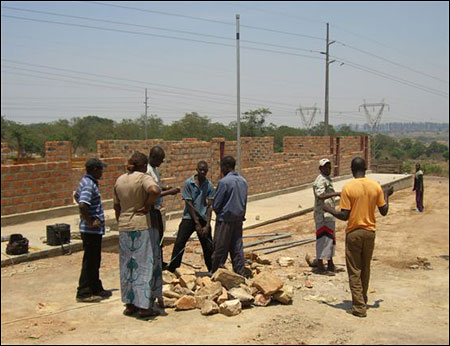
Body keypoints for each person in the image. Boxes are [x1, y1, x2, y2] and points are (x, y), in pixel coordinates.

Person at [323, 157, 394, 318]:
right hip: (370, 232)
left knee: (355, 269)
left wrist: (329, 209)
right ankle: (363, 298)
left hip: (354, 232)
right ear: (366, 167)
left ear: (351, 169)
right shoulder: (375, 186)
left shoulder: (348, 188)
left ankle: (359, 307)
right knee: (365, 268)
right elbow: (384, 211)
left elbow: (344, 215)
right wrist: (386, 194)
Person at [113, 152, 162, 318]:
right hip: (141, 226)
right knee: (143, 266)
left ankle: (129, 304)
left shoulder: (119, 180)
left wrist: (122, 221)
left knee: (128, 267)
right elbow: (154, 190)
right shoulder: (143, 177)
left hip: (124, 226)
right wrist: (147, 205)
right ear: (143, 165)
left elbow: (116, 207)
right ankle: (144, 307)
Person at [167, 161, 215, 273]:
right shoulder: (189, 183)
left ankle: (212, 269)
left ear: (207, 171)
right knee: (180, 242)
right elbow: (189, 204)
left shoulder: (209, 186)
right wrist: (197, 223)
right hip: (189, 217)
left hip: (203, 218)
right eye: (200, 170)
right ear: (196, 169)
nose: (203, 172)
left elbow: (209, 206)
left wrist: (207, 225)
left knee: (208, 245)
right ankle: (173, 269)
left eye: (205, 170)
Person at [75, 158, 111, 303]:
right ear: (95, 169)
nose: (102, 171)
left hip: (92, 231)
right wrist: (90, 222)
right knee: (90, 261)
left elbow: (77, 196)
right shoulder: (89, 185)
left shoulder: (85, 182)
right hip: (91, 231)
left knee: (95, 260)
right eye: (101, 169)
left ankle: (96, 287)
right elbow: (82, 204)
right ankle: (83, 292)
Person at [211, 156, 248, 276]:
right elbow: (244, 201)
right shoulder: (243, 181)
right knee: (237, 248)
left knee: (220, 248)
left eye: (222, 167)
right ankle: (240, 274)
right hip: (238, 219)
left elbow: (216, 204)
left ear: (226, 166)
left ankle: (217, 274)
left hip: (225, 220)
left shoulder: (224, 182)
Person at [147, 146, 180, 269]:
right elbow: (152, 192)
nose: (161, 163)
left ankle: (159, 262)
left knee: (159, 236)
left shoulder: (154, 169)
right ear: (153, 157)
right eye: (160, 160)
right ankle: (155, 264)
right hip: (150, 208)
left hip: (156, 207)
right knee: (155, 237)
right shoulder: (147, 170)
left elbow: (157, 187)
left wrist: (166, 188)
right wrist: (169, 192)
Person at [313, 158, 341, 275]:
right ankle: (320, 266)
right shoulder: (320, 180)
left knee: (329, 239)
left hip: (328, 214)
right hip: (322, 215)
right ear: (320, 168)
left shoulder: (327, 179)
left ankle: (330, 263)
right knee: (322, 239)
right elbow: (320, 195)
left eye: (329, 167)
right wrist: (336, 193)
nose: (328, 169)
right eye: (325, 167)